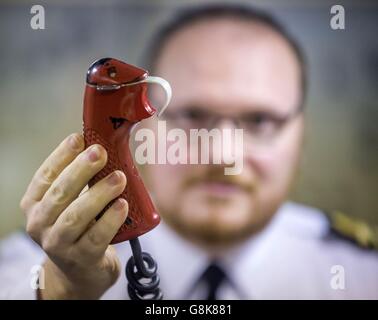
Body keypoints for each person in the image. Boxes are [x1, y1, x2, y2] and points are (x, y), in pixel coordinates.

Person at [1, 4, 377, 300]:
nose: (221, 155)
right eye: (193, 115)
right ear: (140, 121)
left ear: (302, 134)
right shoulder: (38, 265)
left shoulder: (364, 277)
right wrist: (63, 291)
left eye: (261, 120)